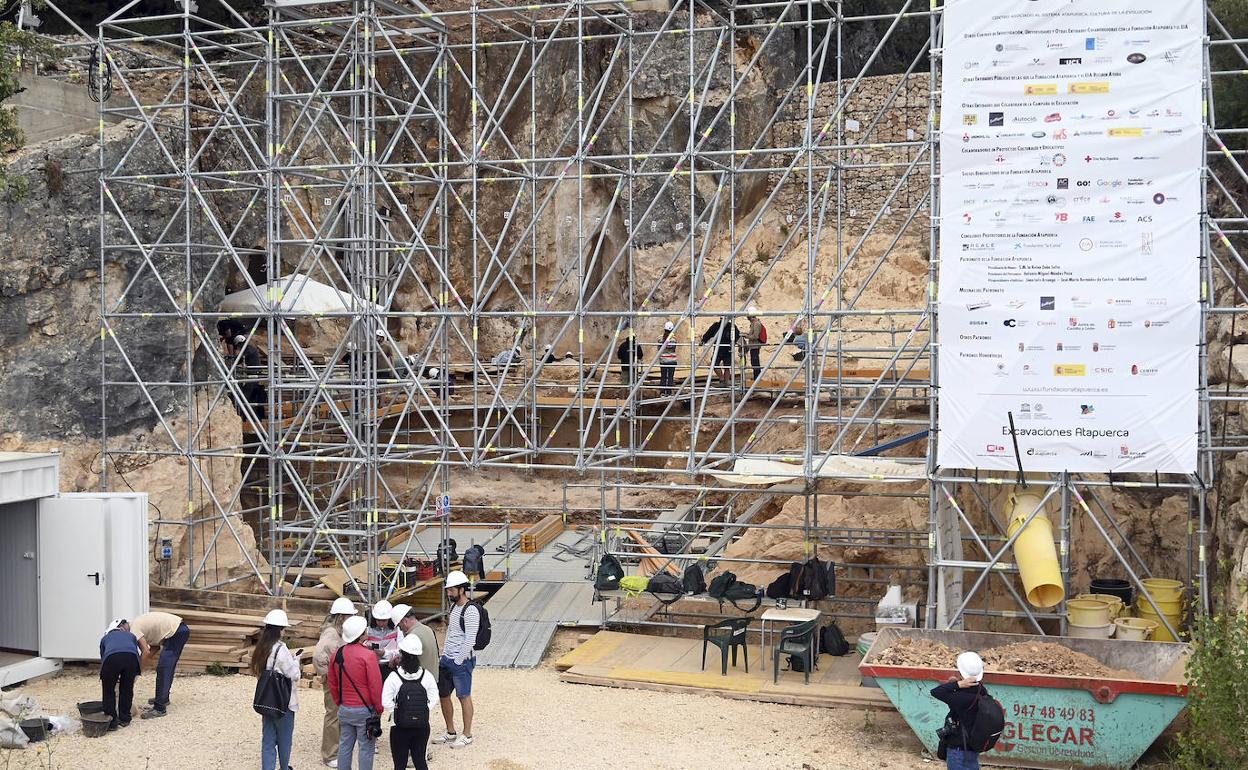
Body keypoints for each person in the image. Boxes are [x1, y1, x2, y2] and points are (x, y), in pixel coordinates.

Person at [329, 615, 384, 770]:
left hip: (345, 708)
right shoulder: (368, 655)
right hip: (365, 710)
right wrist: (378, 707)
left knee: (345, 746)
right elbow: (375, 685)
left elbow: (332, 683)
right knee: (366, 748)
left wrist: (339, 702)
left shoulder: (337, 654)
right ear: (361, 635)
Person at [432, 570, 478, 749]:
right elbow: (452, 631)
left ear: (461, 589)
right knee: (444, 695)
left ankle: (467, 734)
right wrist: (445, 654)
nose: (448, 593)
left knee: (463, 696)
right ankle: (450, 732)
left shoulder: (471, 610)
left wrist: (458, 660)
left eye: (451, 590)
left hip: (462, 661)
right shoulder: (454, 607)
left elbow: (470, 638)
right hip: (447, 658)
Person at [382, 634, 439, 770]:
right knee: (420, 762)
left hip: (399, 726)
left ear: (401, 654)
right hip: (422, 725)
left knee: (399, 765)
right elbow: (434, 696)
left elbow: (385, 700)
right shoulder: (427, 676)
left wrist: (397, 710)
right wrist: (422, 709)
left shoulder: (394, 677)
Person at [253, 609, 300, 770]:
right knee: (284, 740)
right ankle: (284, 767)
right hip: (283, 702)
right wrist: (296, 662)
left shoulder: (262, 648)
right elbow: (293, 674)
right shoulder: (281, 649)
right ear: (279, 629)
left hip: (267, 700)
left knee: (268, 740)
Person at [315, 597, 359, 768]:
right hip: (334, 680)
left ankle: (337, 748)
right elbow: (318, 656)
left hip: (339, 679)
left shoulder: (337, 632)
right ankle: (329, 754)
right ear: (341, 617)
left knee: (339, 714)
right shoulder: (331, 634)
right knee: (333, 715)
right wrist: (326, 674)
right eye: (349, 616)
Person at [931, 651, 991, 770]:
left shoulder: (960, 698)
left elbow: (935, 692)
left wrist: (957, 684)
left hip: (958, 750)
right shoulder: (981, 690)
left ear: (961, 672)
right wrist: (957, 684)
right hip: (972, 748)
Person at [130, 611, 191, 718]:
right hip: (179, 630)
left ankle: (160, 708)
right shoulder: (139, 628)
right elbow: (154, 648)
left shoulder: (133, 630)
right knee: (166, 667)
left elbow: (145, 652)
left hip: (177, 632)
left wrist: (136, 673)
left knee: (164, 669)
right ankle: (163, 699)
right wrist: (140, 666)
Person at [99, 619, 140, 730]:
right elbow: (134, 651)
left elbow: (104, 658)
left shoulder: (105, 639)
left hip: (111, 658)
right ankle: (125, 718)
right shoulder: (131, 636)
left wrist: (110, 677)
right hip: (131, 658)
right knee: (127, 688)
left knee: (108, 690)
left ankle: (111, 722)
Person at [391, 604, 440, 676]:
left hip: (420, 682)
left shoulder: (412, 637)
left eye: (399, 625)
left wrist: (396, 661)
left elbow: (409, 664)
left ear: (405, 621)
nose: (400, 629)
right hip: (431, 679)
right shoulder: (427, 629)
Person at [699, 316, 739, 385]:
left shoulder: (731, 326)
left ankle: (726, 383)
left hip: (727, 350)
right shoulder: (716, 326)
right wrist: (703, 341)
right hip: (718, 349)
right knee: (714, 364)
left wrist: (734, 342)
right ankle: (722, 379)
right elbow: (708, 334)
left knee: (727, 367)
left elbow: (737, 335)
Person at [367, 600, 399, 679]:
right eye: (378, 620)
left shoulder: (398, 631)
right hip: (372, 667)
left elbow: (400, 651)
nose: (381, 623)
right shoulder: (368, 631)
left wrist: (385, 653)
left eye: (384, 621)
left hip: (390, 667)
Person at [744, 306, 766, 382]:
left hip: (755, 346)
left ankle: (757, 379)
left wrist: (746, 336)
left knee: (755, 363)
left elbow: (755, 336)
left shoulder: (756, 324)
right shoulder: (754, 323)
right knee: (754, 363)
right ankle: (756, 378)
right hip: (753, 346)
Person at [658, 322, 678, 394]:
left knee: (663, 376)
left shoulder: (660, 338)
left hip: (663, 360)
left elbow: (659, 348)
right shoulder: (674, 339)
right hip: (672, 360)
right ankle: (669, 392)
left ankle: (662, 392)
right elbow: (673, 348)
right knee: (670, 377)